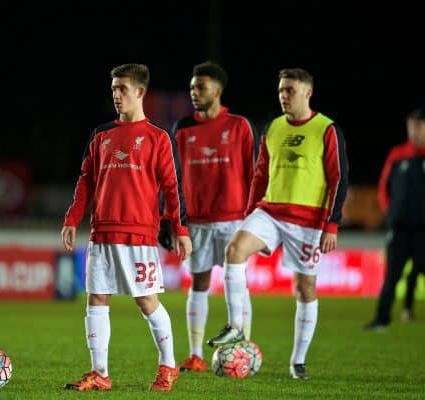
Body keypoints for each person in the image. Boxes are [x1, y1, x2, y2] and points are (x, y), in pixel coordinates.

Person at [206, 68, 348, 380]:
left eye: (291, 91)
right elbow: (260, 173)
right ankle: (234, 325)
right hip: (270, 211)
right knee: (235, 249)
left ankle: (297, 361)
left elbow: (339, 178)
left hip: (309, 220)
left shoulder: (326, 129)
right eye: (281, 90)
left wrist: (331, 224)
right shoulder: (274, 127)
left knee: (304, 287)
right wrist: (248, 213)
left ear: (308, 93)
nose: (284, 95)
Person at [61, 63, 193, 392]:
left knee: (146, 301)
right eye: (114, 89)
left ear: (140, 92)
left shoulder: (158, 138)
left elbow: (173, 187)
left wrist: (181, 228)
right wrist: (72, 217)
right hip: (102, 232)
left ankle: (168, 366)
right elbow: (86, 182)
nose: (116, 95)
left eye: (122, 89)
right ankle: (100, 373)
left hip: (138, 234)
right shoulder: (102, 135)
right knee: (96, 299)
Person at [158, 61, 259, 373]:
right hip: (197, 220)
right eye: (192, 87)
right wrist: (168, 218)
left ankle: (244, 349)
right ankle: (195, 354)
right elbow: (171, 177)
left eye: (200, 87)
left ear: (218, 89)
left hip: (234, 219)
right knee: (199, 283)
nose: (194, 92)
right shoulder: (183, 128)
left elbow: (255, 174)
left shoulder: (240, 126)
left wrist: (257, 217)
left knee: (238, 284)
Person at [365, 106, 425, 330]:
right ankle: (382, 319)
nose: (416, 129)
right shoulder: (398, 154)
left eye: (420, 125)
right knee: (391, 276)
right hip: (399, 229)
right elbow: (383, 187)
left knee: (419, 271)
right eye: (412, 125)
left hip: (423, 231)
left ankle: (408, 308)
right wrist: (390, 211)